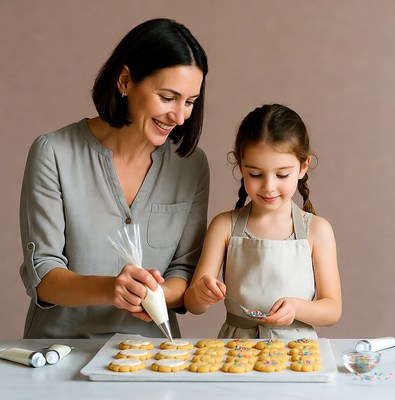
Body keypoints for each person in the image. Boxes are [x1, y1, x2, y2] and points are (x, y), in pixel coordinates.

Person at [19, 18, 209, 339]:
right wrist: (112, 289)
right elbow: (45, 276)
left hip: (152, 357)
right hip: (60, 355)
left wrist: (153, 294)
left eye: (189, 102)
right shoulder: (53, 152)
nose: (179, 117)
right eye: (167, 97)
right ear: (125, 81)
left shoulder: (191, 165)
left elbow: (184, 271)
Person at [184, 104, 342, 340]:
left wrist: (297, 308)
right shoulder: (224, 226)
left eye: (282, 175)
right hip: (236, 349)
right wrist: (201, 293)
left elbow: (332, 309)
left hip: (297, 350)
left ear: (303, 167)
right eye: (255, 174)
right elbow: (193, 304)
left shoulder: (317, 230)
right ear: (240, 167)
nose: (268, 186)